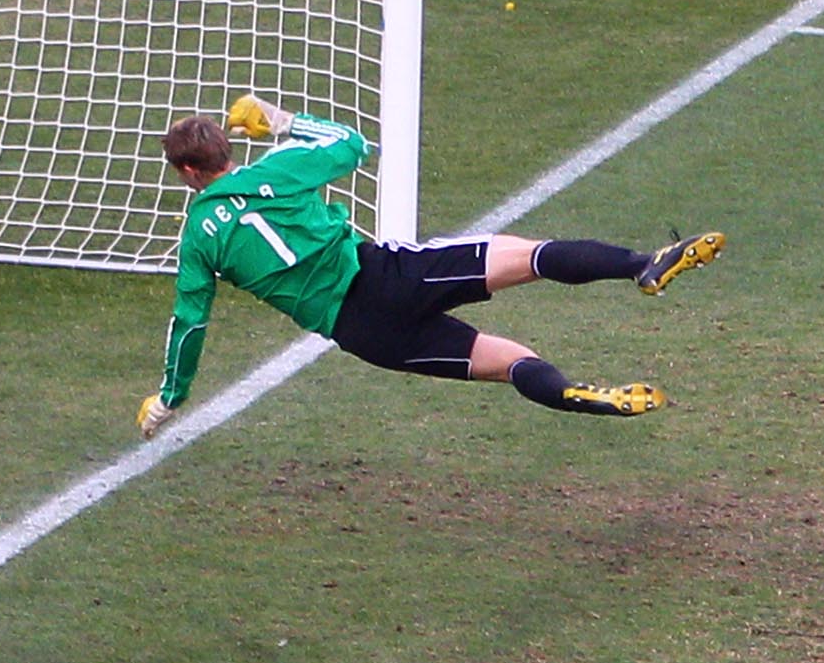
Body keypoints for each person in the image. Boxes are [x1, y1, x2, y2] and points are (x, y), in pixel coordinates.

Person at [136, 94, 724, 436]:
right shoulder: (278, 170)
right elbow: (349, 142)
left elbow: (190, 322)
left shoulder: (196, 241)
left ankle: (574, 393)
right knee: (530, 256)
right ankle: (643, 264)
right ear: (226, 151)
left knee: (508, 362)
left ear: (188, 174)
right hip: (383, 276)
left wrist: (169, 397)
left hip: (361, 333)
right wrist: (279, 119)